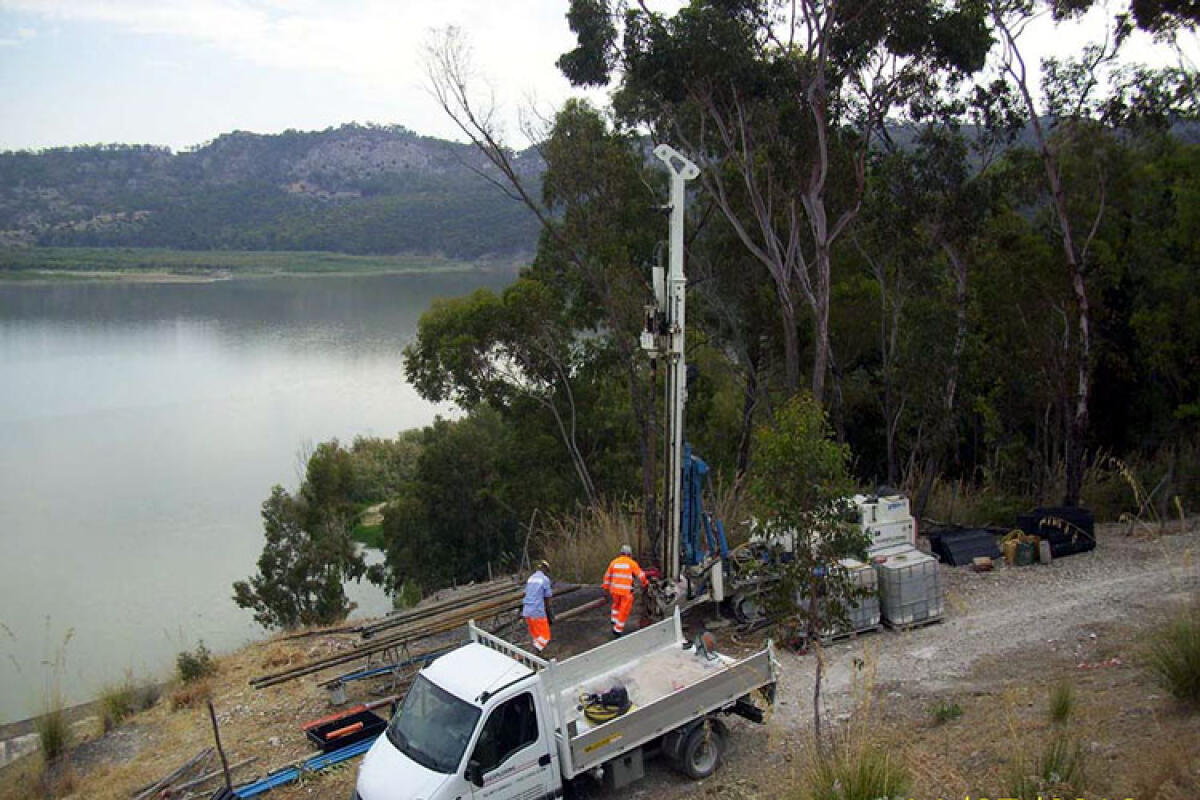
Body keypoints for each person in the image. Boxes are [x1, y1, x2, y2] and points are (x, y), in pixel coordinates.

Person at [602, 544, 648, 637]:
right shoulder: (631, 563)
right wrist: (645, 583)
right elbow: (641, 575)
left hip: (615, 590)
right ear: (629, 554)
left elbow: (607, 576)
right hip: (626, 592)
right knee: (624, 610)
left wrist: (606, 588)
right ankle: (617, 629)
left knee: (616, 605)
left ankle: (614, 620)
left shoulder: (614, 562)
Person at [522, 559, 554, 651]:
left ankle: (536, 655)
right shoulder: (545, 579)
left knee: (536, 637)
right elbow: (547, 599)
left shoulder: (530, 579)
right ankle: (530, 652)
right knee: (545, 636)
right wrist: (549, 614)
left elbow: (526, 593)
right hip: (537, 612)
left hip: (527, 612)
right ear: (545, 569)